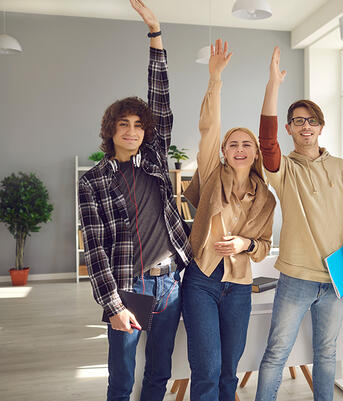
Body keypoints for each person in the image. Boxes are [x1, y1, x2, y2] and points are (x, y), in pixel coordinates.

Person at [77, 1, 193, 400]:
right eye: (124, 124)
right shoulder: (93, 182)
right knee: (122, 377)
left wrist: (155, 32)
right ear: (111, 130)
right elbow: (95, 253)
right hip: (131, 286)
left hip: (171, 284)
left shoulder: (156, 161)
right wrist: (113, 306)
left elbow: (159, 98)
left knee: (160, 370)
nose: (132, 131)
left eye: (139, 125)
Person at [254, 47, 343, 401]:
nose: (305, 126)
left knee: (327, 355)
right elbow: (266, 143)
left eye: (311, 121)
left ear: (321, 126)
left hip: (335, 279)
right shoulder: (283, 169)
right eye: (298, 121)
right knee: (276, 352)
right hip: (296, 278)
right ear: (289, 128)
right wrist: (273, 84)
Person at [181, 39, 276, 401]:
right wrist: (215, 80)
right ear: (223, 152)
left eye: (246, 145)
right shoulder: (210, 176)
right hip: (202, 280)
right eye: (232, 144)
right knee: (205, 370)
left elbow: (264, 246)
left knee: (228, 373)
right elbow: (210, 127)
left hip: (238, 285)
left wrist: (244, 244)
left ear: (255, 155)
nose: (239, 149)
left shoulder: (265, 197)